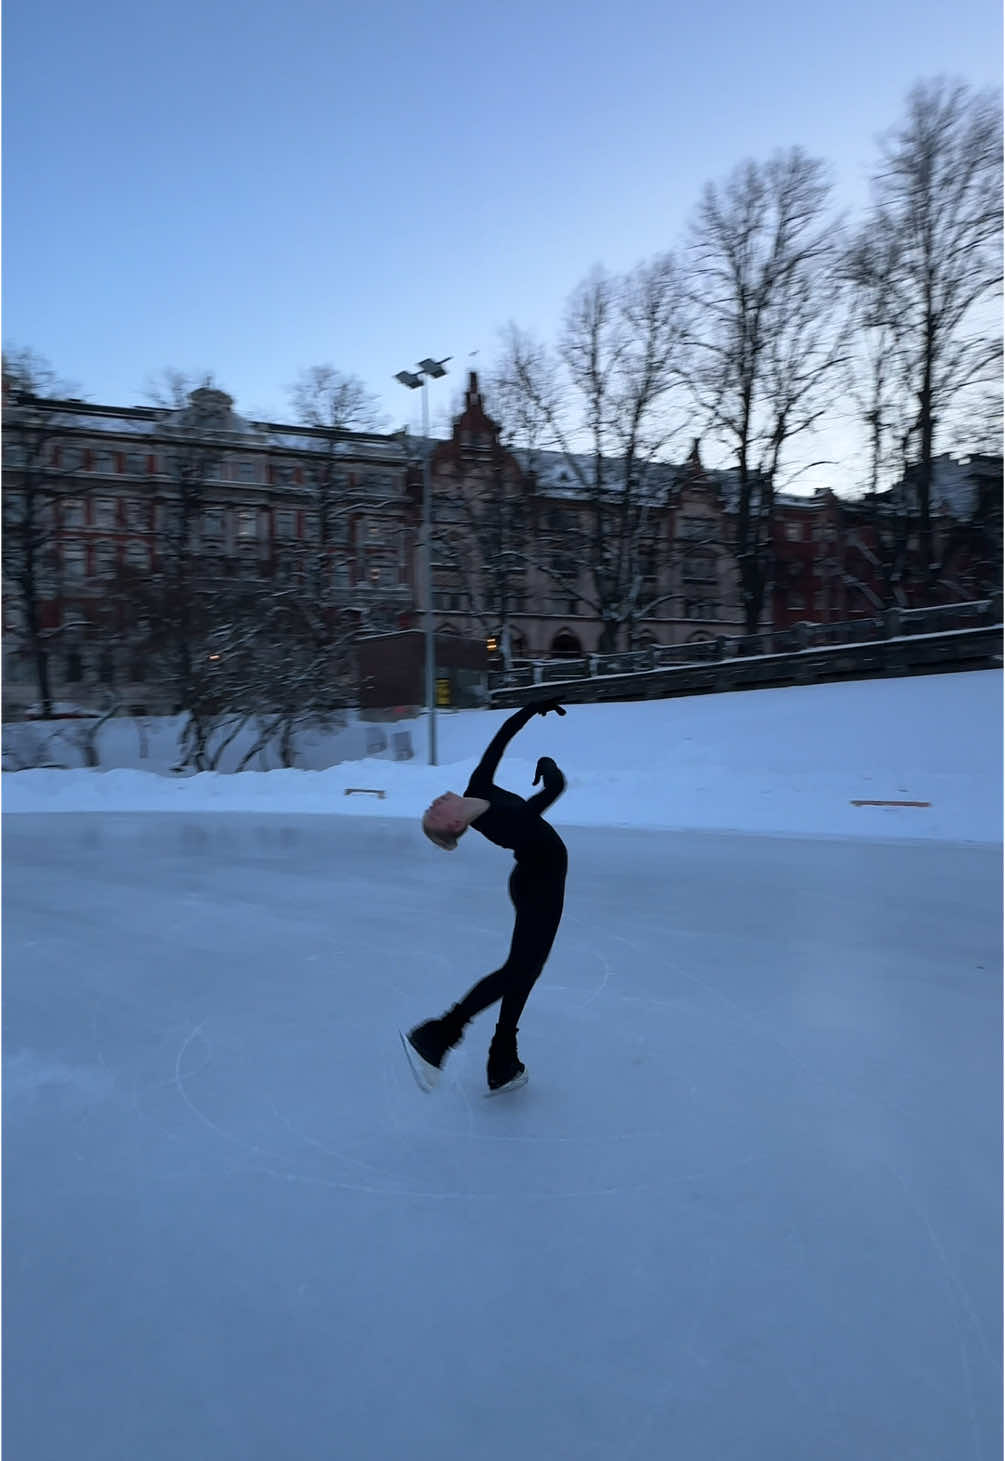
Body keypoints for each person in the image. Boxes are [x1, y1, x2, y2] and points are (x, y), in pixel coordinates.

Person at [403, 697, 568, 1093]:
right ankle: (440, 1034)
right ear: (456, 823)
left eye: (430, 809)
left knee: (525, 969)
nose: (432, 805)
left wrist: (532, 709)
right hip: (540, 884)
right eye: (433, 816)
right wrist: (552, 773)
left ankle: (502, 1061)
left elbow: (500, 740)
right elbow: (550, 794)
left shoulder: (477, 788)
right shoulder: (501, 822)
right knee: (520, 970)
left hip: (534, 880)